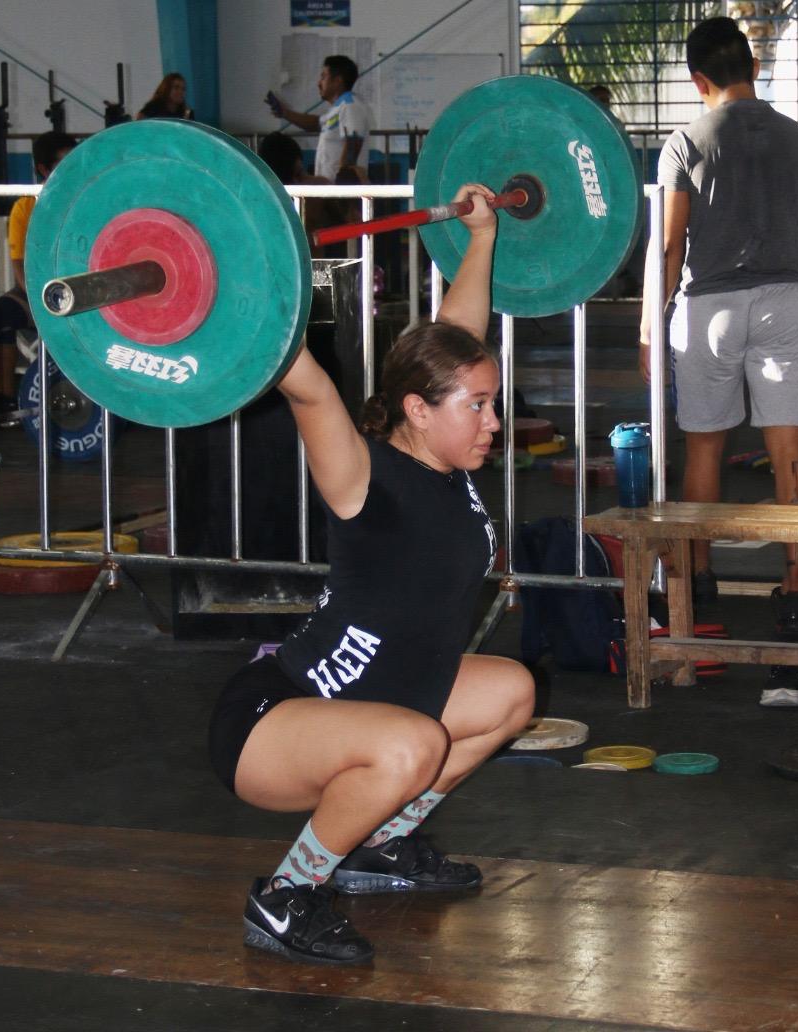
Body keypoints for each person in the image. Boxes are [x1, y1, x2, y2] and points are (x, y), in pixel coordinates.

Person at [208, 183, 535, 966]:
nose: (494, 421)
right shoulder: (365, 479)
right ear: (419, 410)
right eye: (479, 407)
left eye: (493, 404)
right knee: (410, 747)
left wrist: (482, 236)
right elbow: (310, 388)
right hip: (274, 721)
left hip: (376, 702)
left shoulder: (447, 454)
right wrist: (243, 292)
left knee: (511, 692)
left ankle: (377, 847)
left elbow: (456, 336)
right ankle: (288, 894)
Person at [639, 17, 798, 709]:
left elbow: (670, 245)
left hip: (708, 306)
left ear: (699, 78)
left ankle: (698, 582)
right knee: (790, 449)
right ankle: (792, 591)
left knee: (705, 447)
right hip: (785, 295)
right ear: (752, 67)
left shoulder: (686, 141)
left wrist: (648, 322)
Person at [0, 130, 76, 416]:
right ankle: (4, 398)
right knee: (0, 313)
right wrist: (42, 301)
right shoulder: (25, 207)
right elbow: (19, 265)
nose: (70, 167)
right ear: (43, 169)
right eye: (63, 162)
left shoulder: (84, 201)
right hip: (40, 290)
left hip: (83, 286)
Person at [266, 55, 370, 184]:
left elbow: (353, 143)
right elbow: (316, 123)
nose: (319, 83)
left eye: (323, 77)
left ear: (337, 80)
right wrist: (285, 113)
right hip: (329, 188)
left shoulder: (351, 105)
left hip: (340, 190)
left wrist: (343, 184)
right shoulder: (336, 109)